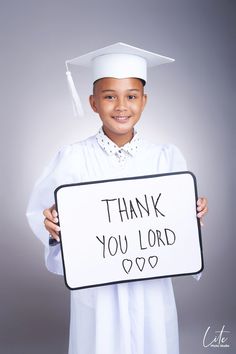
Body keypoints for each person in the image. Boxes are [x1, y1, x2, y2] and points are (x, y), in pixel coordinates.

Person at [26, 42, 208, 354]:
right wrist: (54, 229)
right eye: (109, 96)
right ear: (93, 103)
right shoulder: (72, 158)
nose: (121, 106)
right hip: (98, 294)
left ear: (144, 101)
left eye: (131, 96)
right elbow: (44, 217)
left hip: (151, 290)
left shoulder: (166, 158)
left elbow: (176, 233)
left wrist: (190, 218)